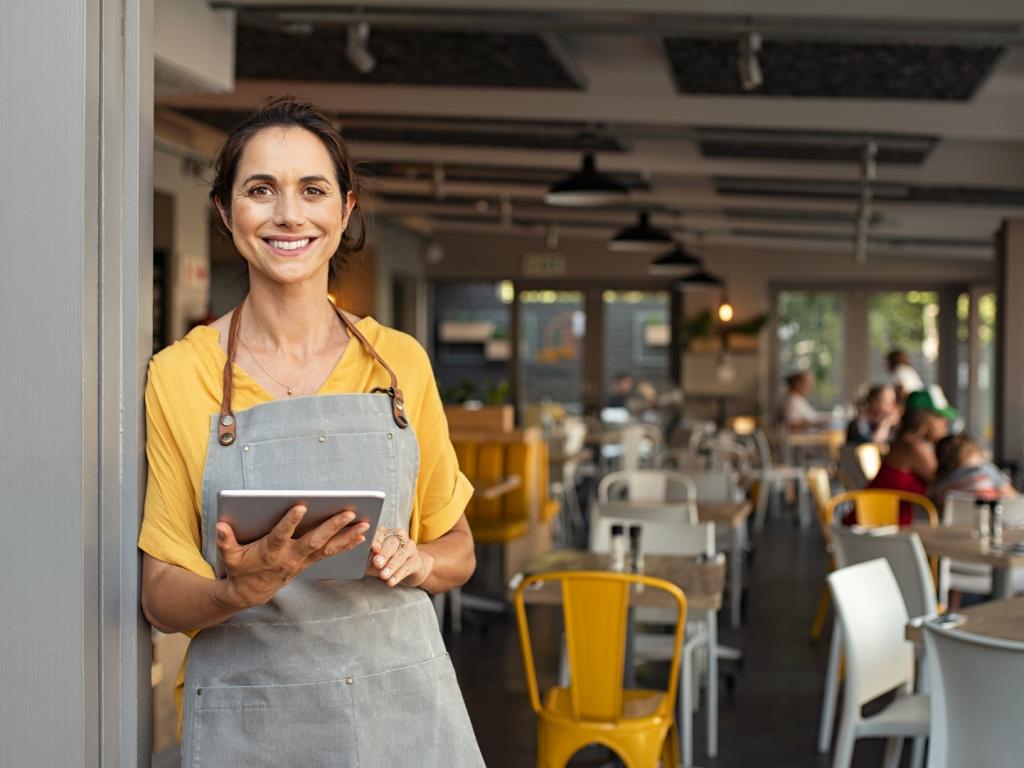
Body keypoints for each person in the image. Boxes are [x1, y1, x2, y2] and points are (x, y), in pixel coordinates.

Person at [138, 100, 484, 766]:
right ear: (224, 210)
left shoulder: (398, 362)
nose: (288, 215)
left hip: (398, 709)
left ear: (345, 210)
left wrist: (420, 561)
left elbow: (458, 547)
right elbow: (160, 594)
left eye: (313, 190)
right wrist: (236, 589)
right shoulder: (181, 374)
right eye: (260, 190)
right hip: (255, 718)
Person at [858, 407, 949, 525]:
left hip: (880, 521)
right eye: (942, 421)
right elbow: (944, 479)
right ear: (930, 422)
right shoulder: (913, 447)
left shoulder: (905, 442)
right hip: (875, 525)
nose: (945, 426)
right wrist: (942, 442)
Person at [931, 434, 1018, 510]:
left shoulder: (939, 484)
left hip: (954, 527)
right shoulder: (984, 469)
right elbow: (1013, 498)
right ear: (974, 452)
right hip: (989, 522)